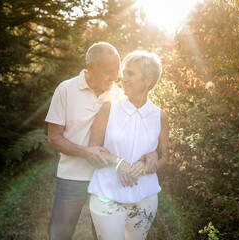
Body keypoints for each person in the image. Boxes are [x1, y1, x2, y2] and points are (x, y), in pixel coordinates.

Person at [45, 42, 159, 240]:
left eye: (117, 72)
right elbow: (53, 139)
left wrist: (153, 153)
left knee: (104, 235)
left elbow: (143, 127)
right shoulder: (65, 90)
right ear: (90, 67)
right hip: (73, 176)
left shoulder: (119, 94)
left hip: (107, 177)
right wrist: (85, 152)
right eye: (108, 72)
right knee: (59, 234)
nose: (115, 78)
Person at [88, 50, 169, 240]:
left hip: (145, 197)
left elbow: (164, 156)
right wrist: (116, 162)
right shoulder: (109, 108)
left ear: (148, 80)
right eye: (123, 74)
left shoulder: (160, 116)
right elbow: (92, 150)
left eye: (130, 74)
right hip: (106, 195)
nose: (123, 79)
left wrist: (149, 163)